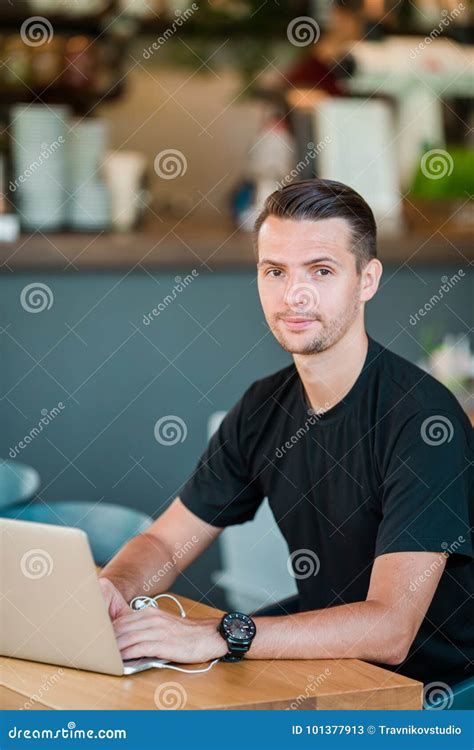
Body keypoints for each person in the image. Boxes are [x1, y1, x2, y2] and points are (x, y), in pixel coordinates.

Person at [100, 179, 473, 687]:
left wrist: (219, 634)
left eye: (321, 271)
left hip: (431, 695)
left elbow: (391, 628)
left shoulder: (424, 421)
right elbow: (165, 543)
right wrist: (112, 591)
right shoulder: (262, 407)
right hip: (326, 666)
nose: (293, 295)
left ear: (367, 280)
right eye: (275, 271)